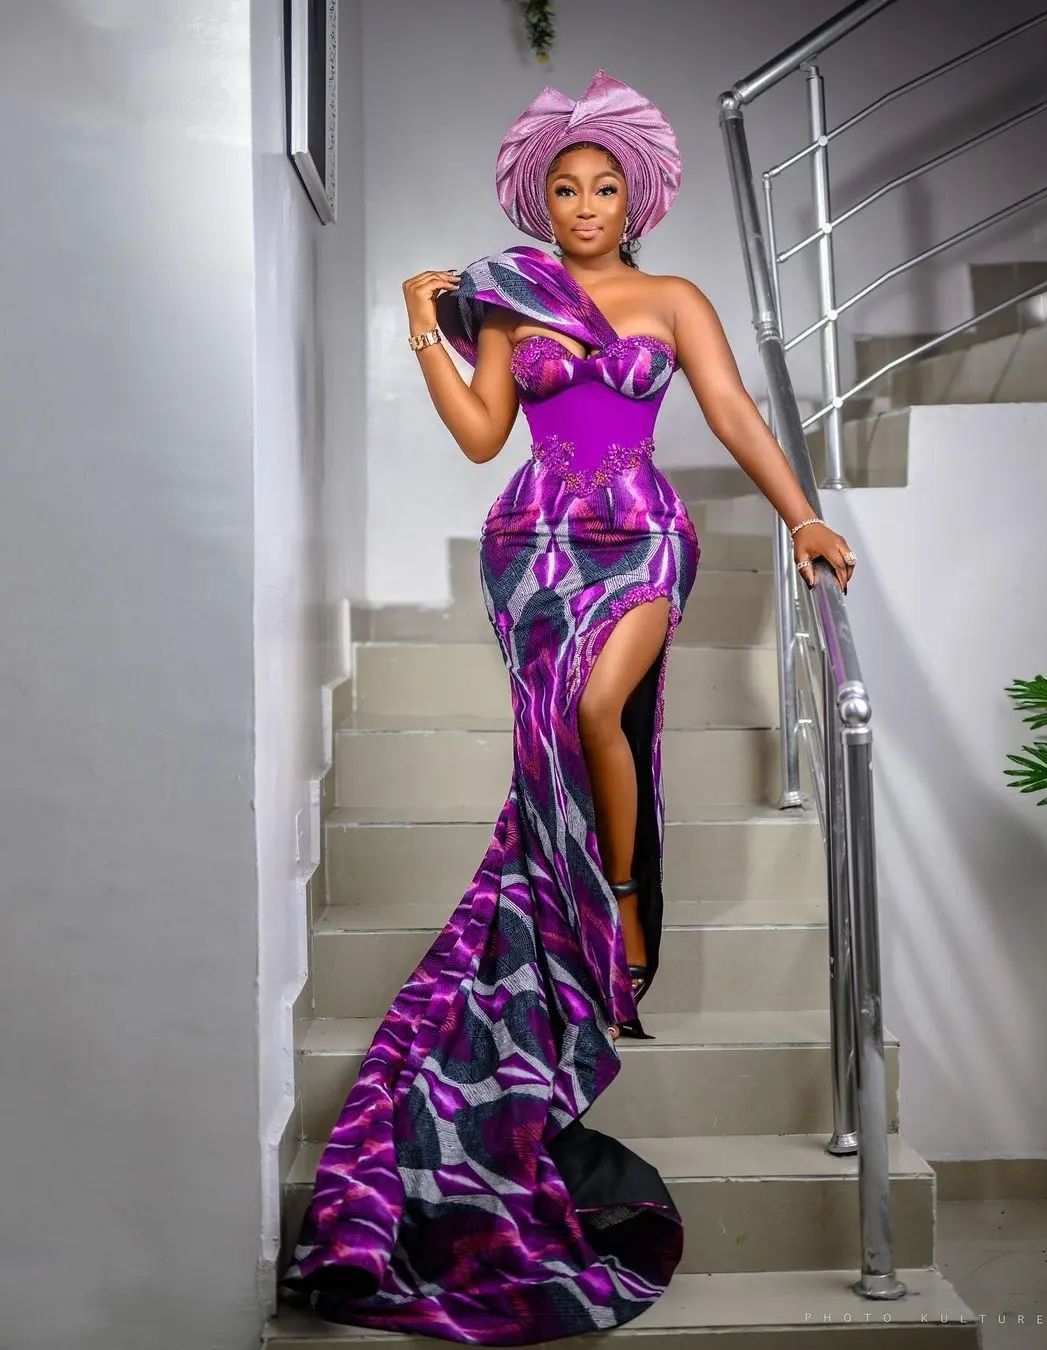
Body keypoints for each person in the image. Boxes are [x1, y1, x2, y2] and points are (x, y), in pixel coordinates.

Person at [282, 67, 858, 1346]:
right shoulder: (509, 298)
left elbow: (730, 410)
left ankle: (625, 904)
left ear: (633, 198)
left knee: (604, 713)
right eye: (566, 189)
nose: (586, 205)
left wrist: (802, 518)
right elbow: (482, 435)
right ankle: (584, 907)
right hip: (533, 544)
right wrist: (426, 324)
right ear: (540, 202)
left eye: (604, 188)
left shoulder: (675, 299)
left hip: (640, 535)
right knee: (552, 750)